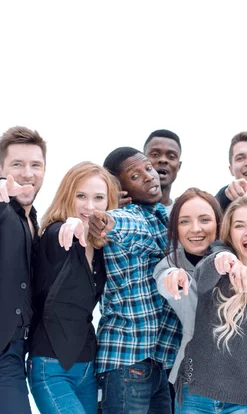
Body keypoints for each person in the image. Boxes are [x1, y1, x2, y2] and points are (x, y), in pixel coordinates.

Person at [62, 147, 182, 413]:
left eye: (148, 169)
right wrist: (106, 221)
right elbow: (124, 227)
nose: (149, 177)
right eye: (135, 176)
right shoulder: (126, 216)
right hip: (128, 359)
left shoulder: (163, 217)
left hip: (159, 361)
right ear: (119, 187)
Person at [169, 195, 247, 413]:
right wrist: (223, 262)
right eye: (240, 226)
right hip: (196, 396)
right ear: (230, 233)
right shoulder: (216, 265)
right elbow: (202, 277)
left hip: (246, 403)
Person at [28, 162, 119, 414]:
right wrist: (69, 224)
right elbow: (59, 235)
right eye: (81, 196)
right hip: (51, 365)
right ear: (68, 196)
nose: (90, 206)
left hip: (88, 367)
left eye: (98, 198)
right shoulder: (56, 236)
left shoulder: (101, 249)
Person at [154, 188, 224, 383]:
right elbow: (165, 280)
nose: (195, 229)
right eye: (184, 221)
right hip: (192, 376)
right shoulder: (169, 265)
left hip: (240, 376)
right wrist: (173, 277)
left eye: (204, 220)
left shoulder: (233, 258)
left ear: (218, 224)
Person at [0, 126, 46, 414]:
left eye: (35, 165)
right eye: (17, 164)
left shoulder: (34, 221)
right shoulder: (3, 210)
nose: (28, 173)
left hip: (15, 353)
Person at [142, 129, 183, 214]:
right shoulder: (122, 208)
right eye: (155, 155)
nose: (163, 160)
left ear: (179, 166)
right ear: (142, 160)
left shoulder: (183, 213)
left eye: (171, 156)